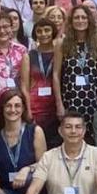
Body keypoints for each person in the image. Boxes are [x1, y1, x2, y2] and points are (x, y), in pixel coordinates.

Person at [54, 6, 97, 138]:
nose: (80, 20)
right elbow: (56, 74)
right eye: (76, 17)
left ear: (89, 20)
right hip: (71, 99)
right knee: (73, 135)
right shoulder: (62, 43)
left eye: (84, 17)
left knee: (94, 137)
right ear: (71, 21)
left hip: (94, 100)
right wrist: (59, 104)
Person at [0, 90, 46, 194]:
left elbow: (44, 164)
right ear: (2, 109)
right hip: (5, 192)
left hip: (30, 189)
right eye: (8, 105)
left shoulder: (35, 131)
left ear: (23, 108)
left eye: (17, 106)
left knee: (33, 177)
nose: (13, 110)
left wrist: (27, 169)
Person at [20, 18, 60, 147]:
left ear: (53, 31)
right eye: (39, 31)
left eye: (47, 30)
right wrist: (28, 109)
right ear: (35, 34)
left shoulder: (60, 53)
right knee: (37, 142)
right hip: (36, 106)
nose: (43, 34)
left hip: (55, 104)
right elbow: (24, 85)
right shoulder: (29, 56)